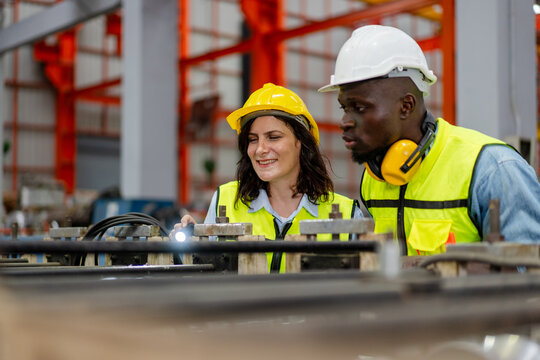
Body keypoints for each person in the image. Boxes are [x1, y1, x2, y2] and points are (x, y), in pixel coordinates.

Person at [319, 25, 540, 256]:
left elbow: (530, 275)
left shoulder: (492, 170)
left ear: (406, 106)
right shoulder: (374, 178)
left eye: (360, 108)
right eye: (344, 108)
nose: (345, 121)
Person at [174, 83, 361, 271]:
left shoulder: (348, 214)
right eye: (253, 139)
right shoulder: (226, 199)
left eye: (273, 137)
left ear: (301, 143)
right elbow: (202, 274)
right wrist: (193, 243)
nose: (260, 149)